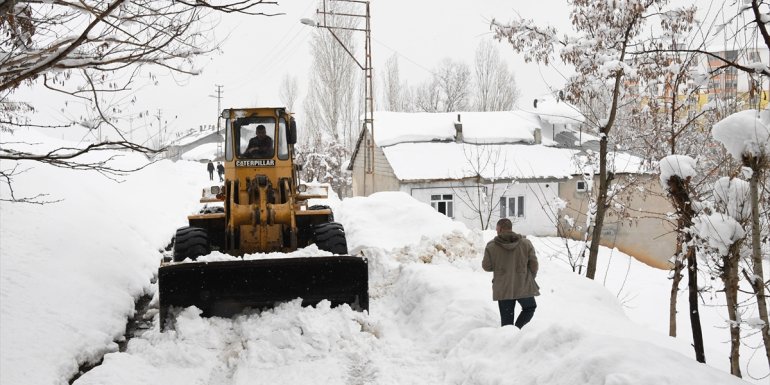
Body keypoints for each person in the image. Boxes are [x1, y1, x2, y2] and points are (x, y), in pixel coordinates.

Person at [482, 218, 540, 329]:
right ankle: (518, 329)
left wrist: (500, 268)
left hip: (503, 288)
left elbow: (486, 266)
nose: (496, 231)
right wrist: (529, 278)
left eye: (497, 229)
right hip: (523, 285)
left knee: (507, 322)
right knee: (529, 308)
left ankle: (509, 336)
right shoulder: (526, 243)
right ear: (510, 228)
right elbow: (534, 265)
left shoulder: (491, 246)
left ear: (500, 229)